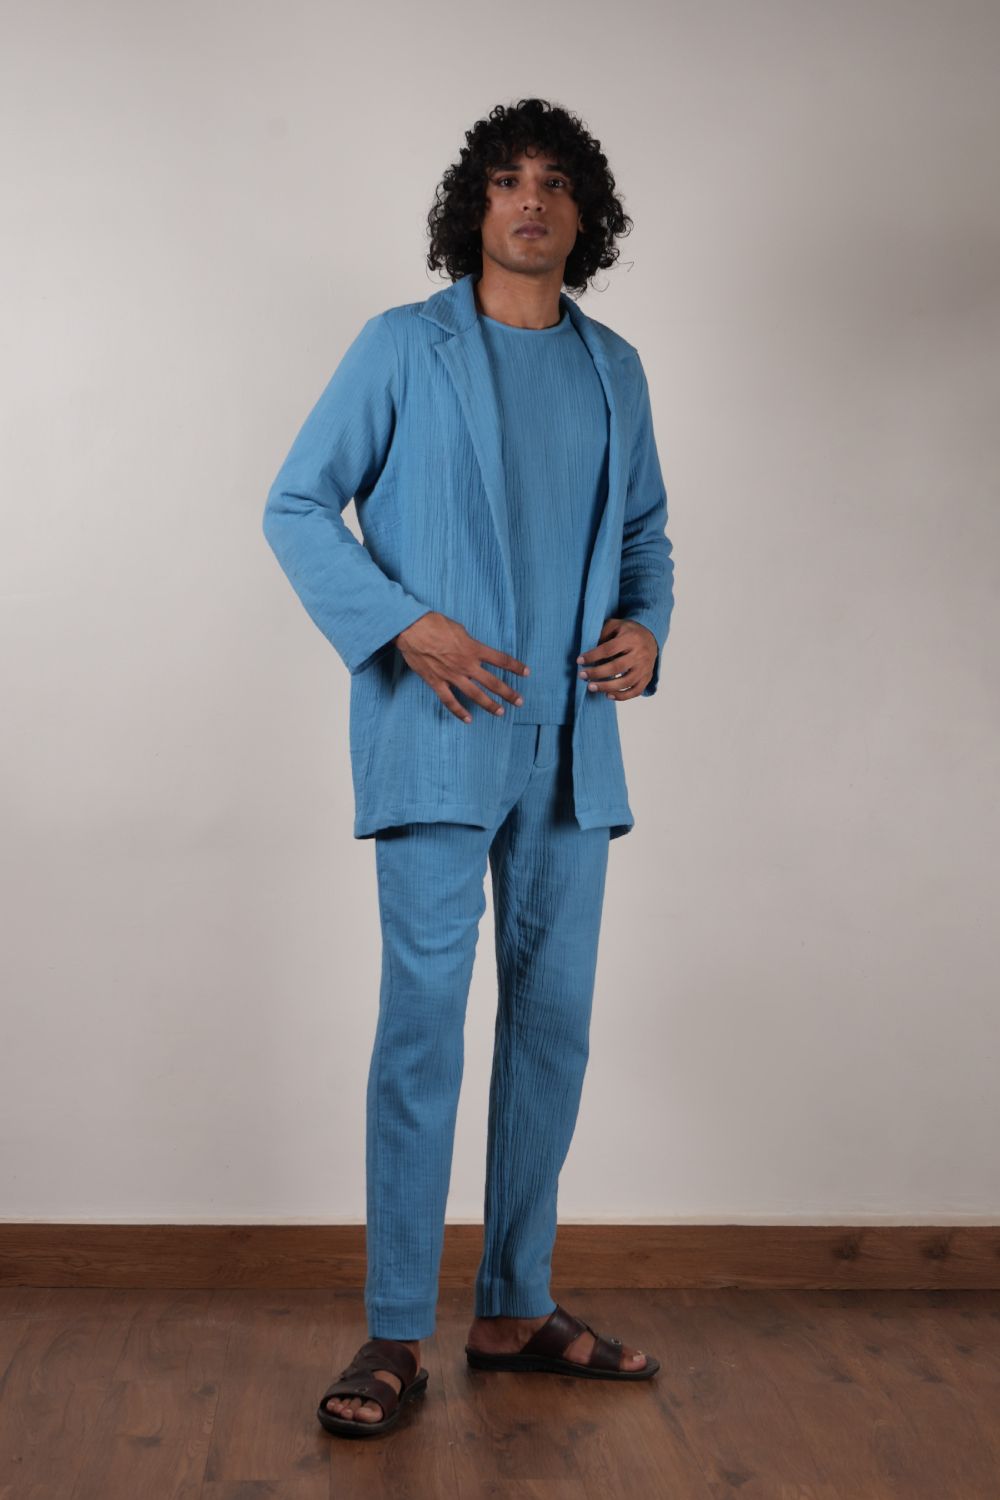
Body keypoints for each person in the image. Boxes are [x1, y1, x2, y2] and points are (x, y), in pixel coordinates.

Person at [262, 96, 675, 1439]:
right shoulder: (402, 346)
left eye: (553, 182)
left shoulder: (615, 368)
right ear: (473, 207)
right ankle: (395, 1329)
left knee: (553, 1030)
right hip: (437, 733)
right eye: (505, 180)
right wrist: (404, 624)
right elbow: (295, 504)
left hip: (572, 750)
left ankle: (513, 1305)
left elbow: (647, 537)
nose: (530, 201)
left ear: (583, 214)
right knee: (424, 1030)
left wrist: (648, 631)